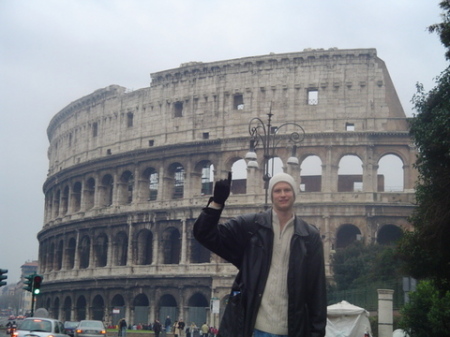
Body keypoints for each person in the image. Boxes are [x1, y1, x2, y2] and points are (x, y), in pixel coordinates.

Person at [193, 172, 327, 337]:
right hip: (252, 328)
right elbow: (204, 234)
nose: (283, 195)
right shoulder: (250, 226)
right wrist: (216, 204)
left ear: (295, 194)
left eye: (287, 190)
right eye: (277, 191)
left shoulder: (309, 236)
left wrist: (317, 332)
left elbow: (317, 290)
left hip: (291, 330)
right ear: (271, 195)